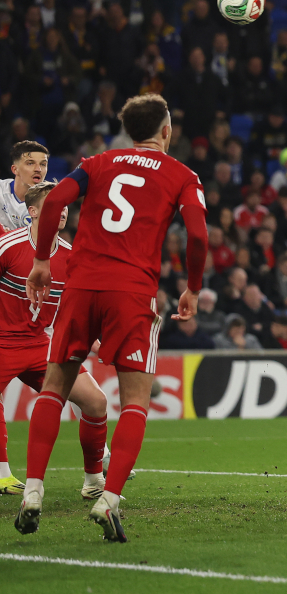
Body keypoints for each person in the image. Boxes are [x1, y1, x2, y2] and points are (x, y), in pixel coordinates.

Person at [17, 93, 209, 543]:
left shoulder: (99, 161)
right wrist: (194, 288)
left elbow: (59, 195)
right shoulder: (182, 174)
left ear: (128, 130)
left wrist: (42, 260)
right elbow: (198, 232)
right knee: (136, 400)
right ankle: (108, 499)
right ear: (166, 131)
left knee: (53, 386)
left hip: (82, 285)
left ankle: (33, 490)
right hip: (131, 292)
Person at [0, 182, 110, 500]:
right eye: (53, 204)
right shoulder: (8, 246)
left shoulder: (72, 257)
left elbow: (73, 311)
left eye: (64, 205)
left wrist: (94, 341)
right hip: (3, 341)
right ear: (32, 212)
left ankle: (93, 481)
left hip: (39, 343)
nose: (62, 210)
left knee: (96, 402)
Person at [1, 141, 48, 233]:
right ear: (15, 169)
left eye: (43, 164)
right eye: (30, 163)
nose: (38, 169)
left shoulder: (48, 203)